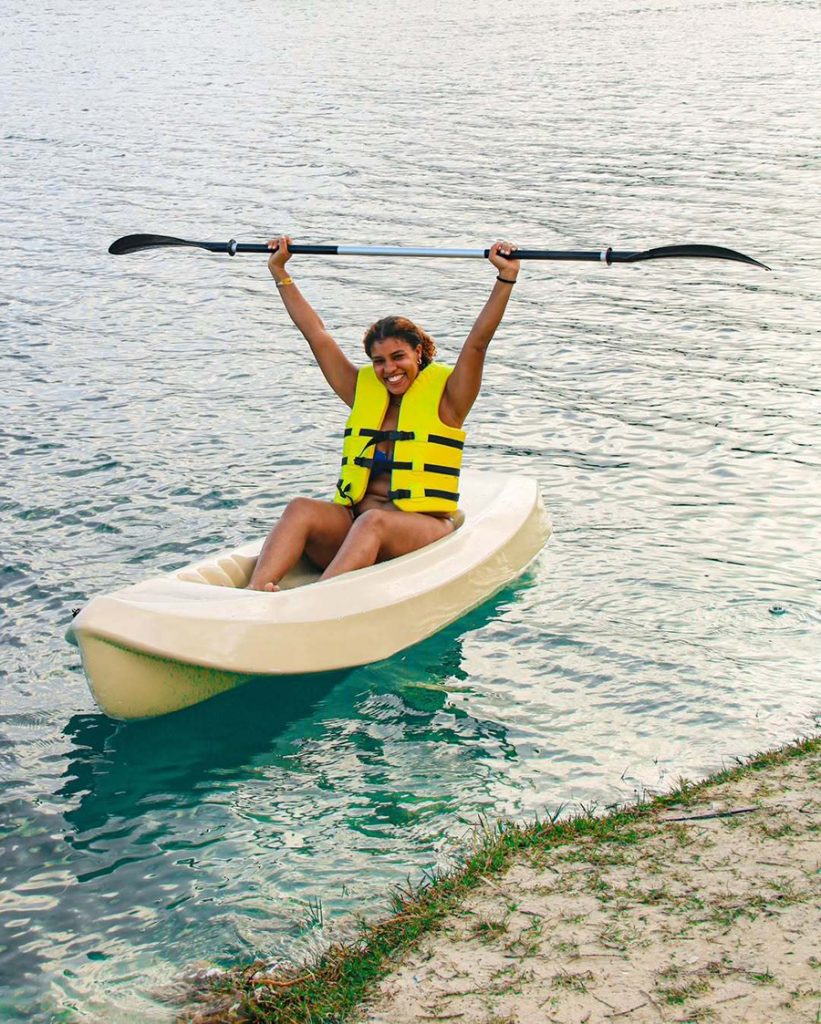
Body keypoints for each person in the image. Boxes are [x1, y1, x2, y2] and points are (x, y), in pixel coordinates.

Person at [247, 236, 521, 592]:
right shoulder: (361, 392)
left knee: (372, 522)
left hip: (420, 529)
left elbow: (478, 342)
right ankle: (255, 593)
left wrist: (505, 277)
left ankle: (314, 600)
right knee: (300, 508)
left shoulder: (450, 400)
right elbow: (316, 335)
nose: (389, 369)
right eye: (379, 361)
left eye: (398, 357)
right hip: (356, 529)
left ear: (418, 353)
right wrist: (279, 271)